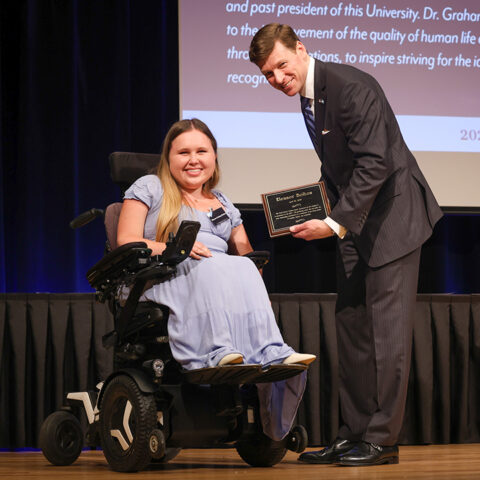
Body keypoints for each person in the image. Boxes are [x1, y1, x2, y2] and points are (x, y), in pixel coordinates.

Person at [249, 24, 443, 465]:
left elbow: (377, 163)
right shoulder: (310, 96)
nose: (277, 78)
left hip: (393, 220)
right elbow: (340, 168)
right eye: (267, 75)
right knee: (352, 329)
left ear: (300, 49)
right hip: (358, 225)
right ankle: (352, 433)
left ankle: (381, 440)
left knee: (388, 336)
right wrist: (309, 209)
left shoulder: (351, 88)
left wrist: (334, 223)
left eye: (281, 65)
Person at [116, 117, 315, 441]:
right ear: (168, 157)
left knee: (243, 266)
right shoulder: (150, 187)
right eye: (183, 152)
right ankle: (214, 351)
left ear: (214, 157)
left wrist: (257, 280)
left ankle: (271, 352)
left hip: (217, 275)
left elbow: (245, 252)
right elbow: (127, 239)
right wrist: (172, 247)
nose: (193, 159)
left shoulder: (222, 202)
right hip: (163, 275)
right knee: (214, 266)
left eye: (201, 151)